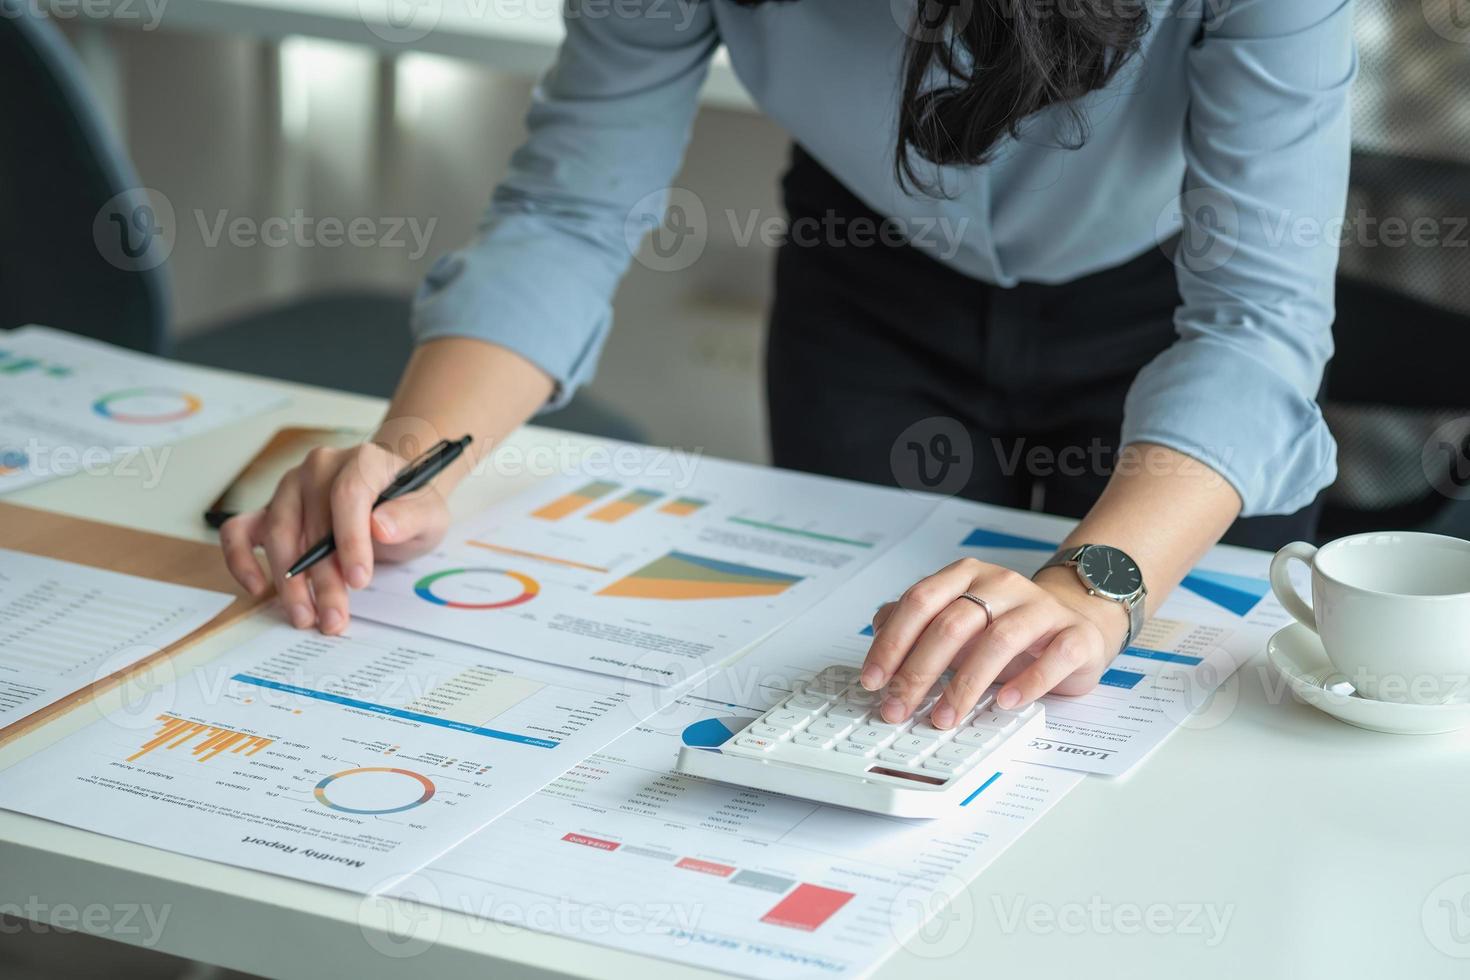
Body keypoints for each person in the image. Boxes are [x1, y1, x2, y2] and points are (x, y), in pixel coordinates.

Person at [220, 0, 1354, 731]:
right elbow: (568, 213)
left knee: (1153, 734)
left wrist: (1094, 583)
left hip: (1165, 321)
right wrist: (413, 455)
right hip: (867, 288)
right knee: (870, 709)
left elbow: (1256, 321)